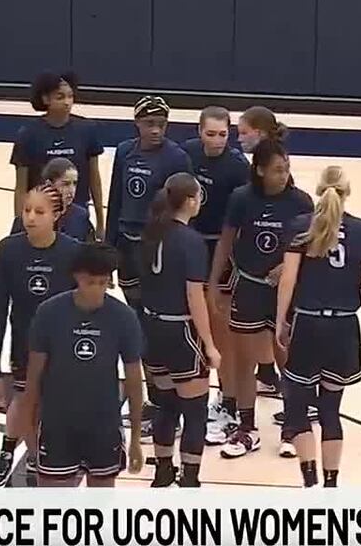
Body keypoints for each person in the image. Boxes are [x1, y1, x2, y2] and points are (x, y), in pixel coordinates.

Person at [274, 166, 361, 488]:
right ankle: (331, 484)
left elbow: (287, 280)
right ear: (346, 193)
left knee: (298, 410)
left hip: (309, 324)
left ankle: (310, 481)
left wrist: (282, 320)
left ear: (319, 191)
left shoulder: (300, 227)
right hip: (343, 330)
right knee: (330, 411)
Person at [208, 139, 313, 459]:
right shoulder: (242, 199)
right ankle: (247, 427)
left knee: (286, 356)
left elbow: (313, 245)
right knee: (244, 359)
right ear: (260, 170)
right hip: (249, 286)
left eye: (287, 169)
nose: (284, 175)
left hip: (285, 293)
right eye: (278, 170)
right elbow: (225, 243)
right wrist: (214, 283)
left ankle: (292, 427)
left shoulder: (301, 201)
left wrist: (288, 264)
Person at [15, 244, 146, 487]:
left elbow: (134, 381)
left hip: (104, 426)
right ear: (77, 277)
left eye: (103, 282)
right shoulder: (49, 314)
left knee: (101, 513)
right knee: (53, 515)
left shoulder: (124, 317)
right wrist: (27, 427)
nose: (97, 290)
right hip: (57, 426)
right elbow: (33, 379)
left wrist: (136, 437)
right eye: (90, 282)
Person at [0, 186, 82, 487]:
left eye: (39, 212)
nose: (30, 217)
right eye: (27, 210)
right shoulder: (8, 250)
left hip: (62, 347)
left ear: (57, 215)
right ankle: (22, 455)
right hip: (24, 344)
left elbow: (81, 306)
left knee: (56, 406)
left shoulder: (72, 251)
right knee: (26, 401)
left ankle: (54, 453)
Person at [139, 173, 222, 487]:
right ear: (190, 201)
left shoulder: (151, 233)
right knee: (195, 411)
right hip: (182, 332)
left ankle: (162, 470)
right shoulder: (191, 241)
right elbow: (194, 297)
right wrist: (210, 344)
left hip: (152, 329)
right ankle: (189, 477)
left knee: (166, 405)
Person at [182, 107, 250, 445]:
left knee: (220, 329)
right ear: (199, 132)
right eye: (211, 134)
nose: (217, 141)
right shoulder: (186, 154)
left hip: (222, 251)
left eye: (223, 134)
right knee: (188, 321)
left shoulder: (238, 168)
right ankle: (187, 396)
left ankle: (228, 401)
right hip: (189, 244)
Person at [104, 95, 191, 316]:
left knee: (153, 302)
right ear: (137, 123)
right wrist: (109, 246)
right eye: (149, 124)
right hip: (126, 239)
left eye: (161, 125)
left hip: (154, 241)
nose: (156, 130)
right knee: (131, 298)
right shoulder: (124, 151)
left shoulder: (177, 158)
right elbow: (115, 200)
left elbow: (183, 211)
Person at [9, 71, 104, 238]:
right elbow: (21, 187)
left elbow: (94, 179)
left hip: (77, 215)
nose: (67, 102)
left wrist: (101, 222)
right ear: (46, 99)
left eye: (70, 96)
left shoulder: (87, 129)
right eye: (60, 97)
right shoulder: (28, 134)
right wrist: (20, 223)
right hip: (41, 214)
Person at [235, 106, 288, 396]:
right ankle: (267, 374)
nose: (238, 138)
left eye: (244, 132)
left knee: (274, 330)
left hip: (274, 267)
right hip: (254, 264)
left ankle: (298, 395)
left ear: (261, 133)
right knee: (262, 329)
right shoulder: (249, 174)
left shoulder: (273, 175)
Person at [41, 158, 96, 242]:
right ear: (49, 184)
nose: (71, 190)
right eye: (66, 184)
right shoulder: (32, 215)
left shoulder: (81, 216)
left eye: (74, 183)